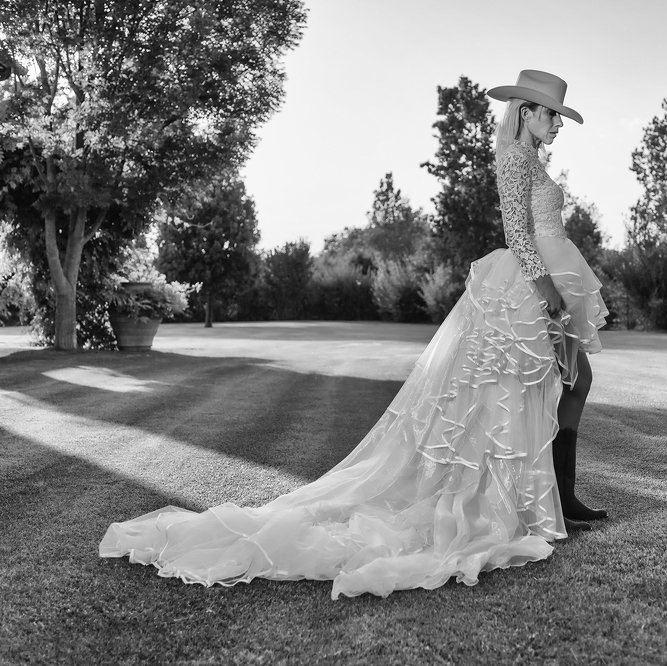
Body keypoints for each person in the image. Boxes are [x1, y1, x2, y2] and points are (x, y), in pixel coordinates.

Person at [100, 69, 609, 599]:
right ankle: (533, 502)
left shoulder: (535, 161)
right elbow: (517, 231)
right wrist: (546, 288)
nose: (558, 125)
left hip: (549, 281)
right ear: (526, 112)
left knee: (571, 381)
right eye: (552, 114)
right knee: (521, 392)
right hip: (527, 286)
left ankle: (560, 496)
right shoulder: (514, 159)